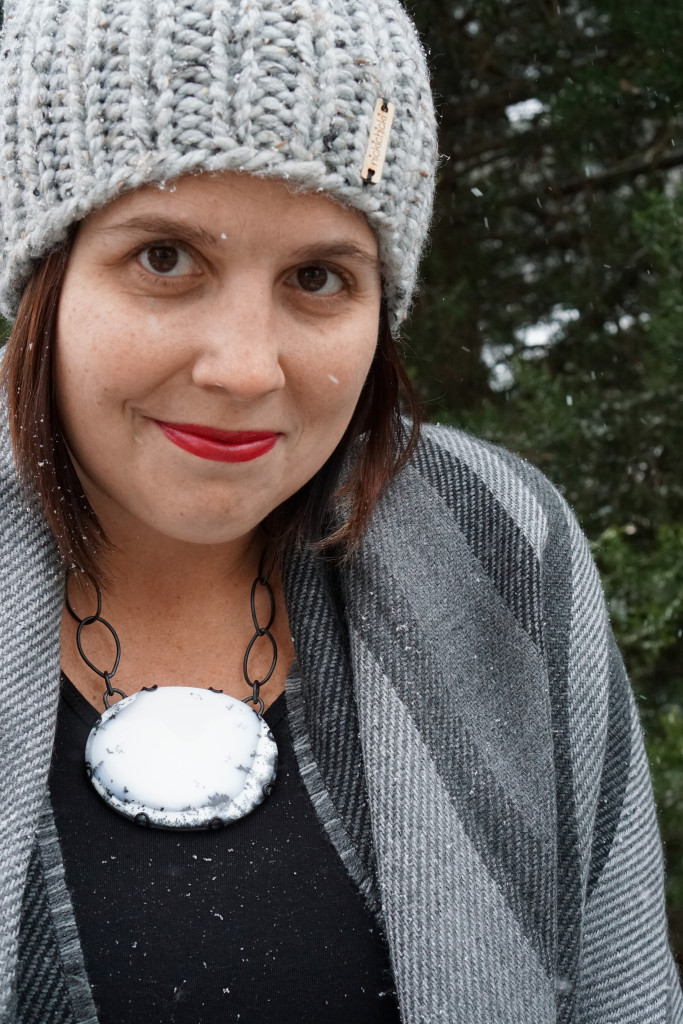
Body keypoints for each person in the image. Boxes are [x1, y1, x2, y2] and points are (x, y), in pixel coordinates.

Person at [0, 1, 680, 1022]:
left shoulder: (498, 542)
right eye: (163, 259)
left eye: (317, 277)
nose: (241, 367)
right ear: (44, 273)